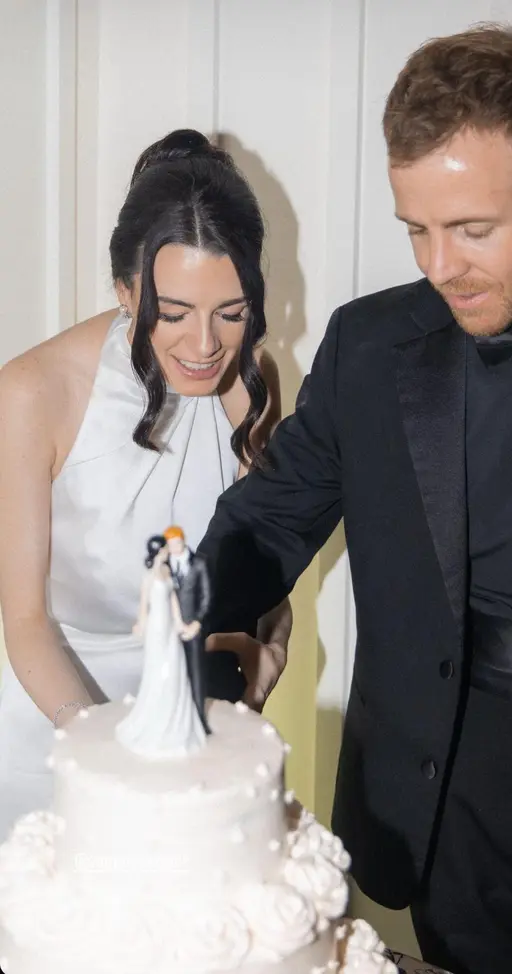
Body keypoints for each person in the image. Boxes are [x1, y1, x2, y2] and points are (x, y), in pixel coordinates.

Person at [196, 26, 512, 974]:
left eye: (472, 229)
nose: (437, 266)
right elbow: (269, 518)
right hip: (447, 789)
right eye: (416, 229)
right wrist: (196, 643)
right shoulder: (371, 346)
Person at [0, 129, 291, 840]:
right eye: (175, 313)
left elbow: (261, 568)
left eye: (232, 313)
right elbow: (26, 622)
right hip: (48, 728)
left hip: (193, 735)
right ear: (127, 291)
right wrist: (108, 758)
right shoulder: (32, 392)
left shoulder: (253, 384)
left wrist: (267, 648)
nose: (205, 346)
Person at [115, 534, 207, 757]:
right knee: (159, 668)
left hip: (169, 627)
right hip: (156, 626)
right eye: (165, 549)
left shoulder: (167, 572)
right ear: (159, 552)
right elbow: (144, 605)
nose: (168, 552)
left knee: (175, 666)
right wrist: (141, 624)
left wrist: (179, 623)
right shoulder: (149, 576)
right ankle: (156, 715)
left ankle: (175, 717)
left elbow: (173, 600)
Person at [164, 523, 212, 734]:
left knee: (195, 672)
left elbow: (206, 597)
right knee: (174, 672)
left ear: (182, 541)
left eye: (177, 543)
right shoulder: (164, 566)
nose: (174, 547)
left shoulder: (198, 564)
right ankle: (175, 718)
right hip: (170, 628)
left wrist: (197, 622)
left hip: (192, 627)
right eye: (170, 544)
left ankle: (199, 718)